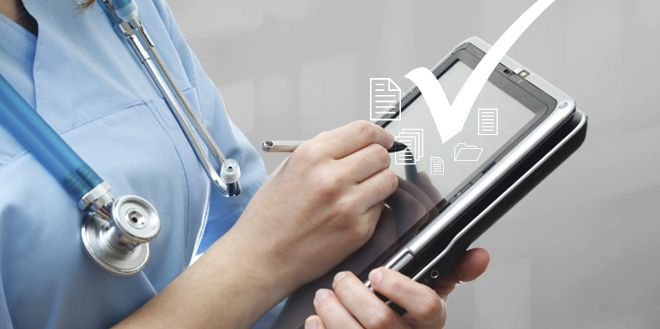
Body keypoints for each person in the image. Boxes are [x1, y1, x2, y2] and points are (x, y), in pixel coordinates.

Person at [0, 0, 490, 328]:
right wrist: (262, 258)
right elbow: (255, 256)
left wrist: (347, 295)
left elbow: (241, 249)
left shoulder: (118, 10)